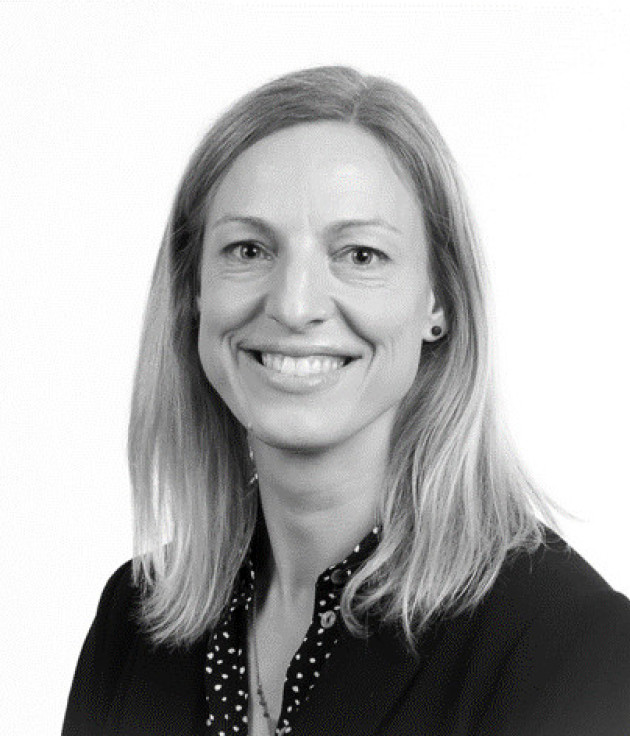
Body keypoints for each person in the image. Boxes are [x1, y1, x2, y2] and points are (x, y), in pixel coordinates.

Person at [62, 66, 630, 736]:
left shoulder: (566, 646)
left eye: (359, 255)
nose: (295, 306)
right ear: (193, 293)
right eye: (248, 249)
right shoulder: (133, 621)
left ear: (438, 301)